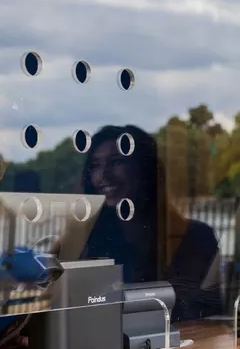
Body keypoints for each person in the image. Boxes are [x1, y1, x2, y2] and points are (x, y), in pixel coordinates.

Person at [56, 125, 223, 322]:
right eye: (96, 165)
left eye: (117, 161)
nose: (103, 176)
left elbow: (195, 311)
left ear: (145, 169)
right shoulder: (84, 237)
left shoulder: (195, 237)